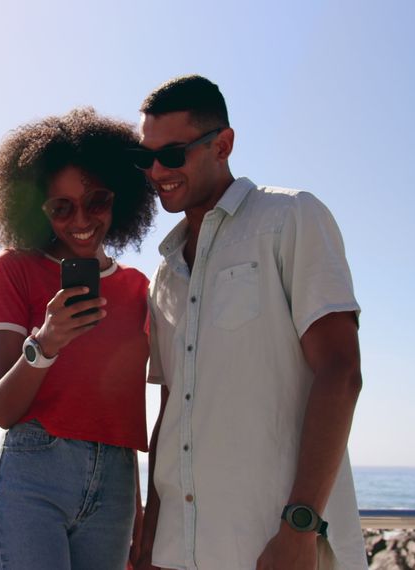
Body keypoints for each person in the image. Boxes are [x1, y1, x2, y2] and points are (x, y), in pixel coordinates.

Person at [131, 75, 367, 570]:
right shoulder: (166, 272)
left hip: (277, 548)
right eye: (145, 157)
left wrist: (299, 529)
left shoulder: (291, 218)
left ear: (223, 144)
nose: (156, 171)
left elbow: (341, 371)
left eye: (171, 155)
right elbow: (171, 409)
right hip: (182, 552)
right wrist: (151, 541)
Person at [0, 107, 157, 570]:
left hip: (116, 484)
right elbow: (3, 410)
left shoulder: (141, 289)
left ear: (119, 199)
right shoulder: (15, 269)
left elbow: (121, 409)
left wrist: (140, 510)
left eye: (96, 200)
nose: (81, 218)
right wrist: (46, 343)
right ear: (39, 210)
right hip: (34, 474)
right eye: (61, 207)